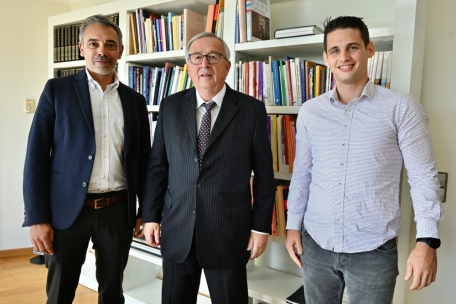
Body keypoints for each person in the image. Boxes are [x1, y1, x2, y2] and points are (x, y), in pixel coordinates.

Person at [285, 16, 443, 304]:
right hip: (316, 244)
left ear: (369, 49)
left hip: (373, 252)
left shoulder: (401, 107)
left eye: (352, 47)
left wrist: (427, 241)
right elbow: (303, 173)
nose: (344, 57)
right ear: (326, 58)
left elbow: (422, 177)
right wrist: (293, 224)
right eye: (335, 50)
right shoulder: (310, 112)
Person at [23, 14, 151, 303]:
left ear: (120, 50)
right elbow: (36, 157)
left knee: (113, 291)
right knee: (59, 293)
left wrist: (147, 211)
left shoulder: (135, 101)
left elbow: (143, 160)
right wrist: (37, 217)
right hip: (68, 212)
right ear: (82, 48)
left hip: (118, 211)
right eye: (93, 43)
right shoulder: (57, 91)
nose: (101, 51)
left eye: (109, 44)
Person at [142, 32, 275, 304]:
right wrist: (150, 216)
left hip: (227, 234)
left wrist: (261, 227)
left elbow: (264, 175)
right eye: (197, 57)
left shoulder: (251, 110)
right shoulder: (170, 106)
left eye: (213, 57)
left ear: (227, 66)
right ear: (188, 67)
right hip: (178, 231)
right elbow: (158, 166)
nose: (205, 64)